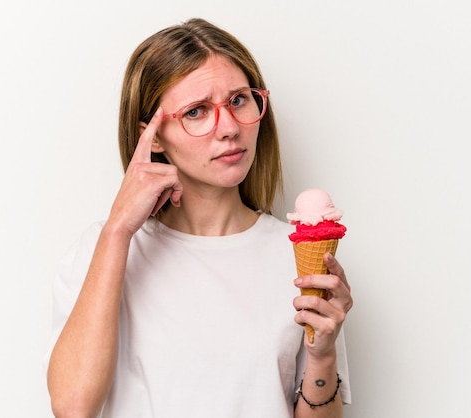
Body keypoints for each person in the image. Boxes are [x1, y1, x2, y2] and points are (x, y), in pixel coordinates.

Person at [46, 18, 352, 418]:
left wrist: (323, 357)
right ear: (152, 137)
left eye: (239, 100)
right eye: (196, 111)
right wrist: (118, 230)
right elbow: (73, 408)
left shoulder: (296, 254)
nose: (228, 128)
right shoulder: (102, 249)